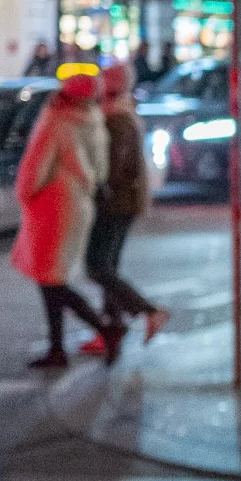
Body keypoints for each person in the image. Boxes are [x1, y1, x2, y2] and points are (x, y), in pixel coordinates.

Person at [12, 65, 120, 369]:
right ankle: (59, 346)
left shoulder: (57, 121)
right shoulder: (94, 121)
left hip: (52, 206)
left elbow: (36, 167)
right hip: (79, 205)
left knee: (50, 281)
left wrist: (23, 195)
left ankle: (102, 329)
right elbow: (100, 171)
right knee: (52, 278)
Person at [81, 61, 168, 352]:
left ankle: (147, 310)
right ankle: (112, 329)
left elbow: (113, 168)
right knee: (108, 267)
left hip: (116, 204)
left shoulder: (117, 119)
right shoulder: (120, 114)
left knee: (97, 266)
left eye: (104, 79)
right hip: (122, 202)